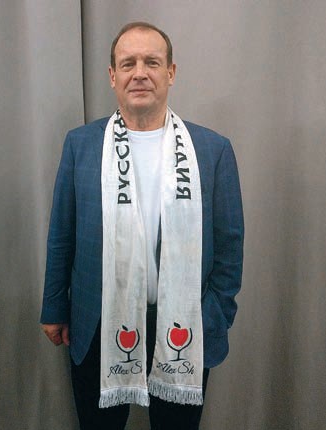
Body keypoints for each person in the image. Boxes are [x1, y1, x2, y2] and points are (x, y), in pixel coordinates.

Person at [41, 22, 244, 430]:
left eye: (151, 62)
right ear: (112, 75)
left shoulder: (212, 150)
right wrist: (54, 307)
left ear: (170, 72)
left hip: (183, 327)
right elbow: (62, 234)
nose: (140, 73)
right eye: (128, 63)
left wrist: (213, 314)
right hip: (98, 322)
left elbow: (229, 244)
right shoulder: (81, 144)